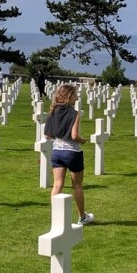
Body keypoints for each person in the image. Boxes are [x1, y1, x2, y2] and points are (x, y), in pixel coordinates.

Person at [44, 83, 94, 226]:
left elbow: (47, 135)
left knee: (57, 185)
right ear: (69, 96)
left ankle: (55, 217)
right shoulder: (74, 113)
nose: (77, 97)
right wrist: (82, 140)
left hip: (57, 152)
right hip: (72, 152)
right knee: (77, 186)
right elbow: (74, 135)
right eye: (75, 95)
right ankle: (82, 217)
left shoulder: (52, 111)